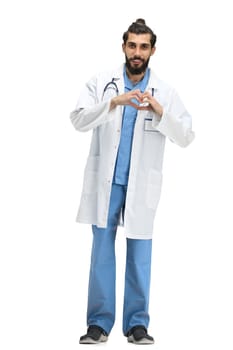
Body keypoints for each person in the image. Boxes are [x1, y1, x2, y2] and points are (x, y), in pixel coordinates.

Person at [70, 18, 195, 345]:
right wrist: (113, 102)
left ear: (152, 50)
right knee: (101, 253)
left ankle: (137, 324)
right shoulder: (103, 83)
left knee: (140, 253)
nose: (137, 52)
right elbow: (78, 119)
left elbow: (187, 135)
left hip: (141, 186)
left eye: (143, 46)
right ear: (124, 46)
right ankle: (98, 323)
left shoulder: (165, 92)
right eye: (132, 45)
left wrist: (159, 111)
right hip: (106, 183)